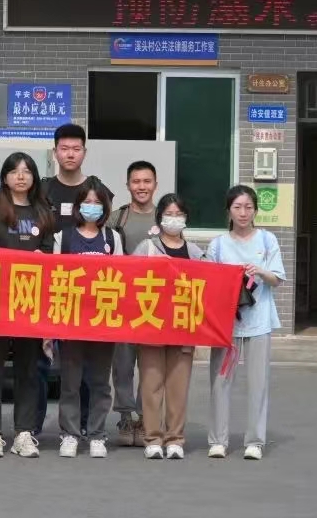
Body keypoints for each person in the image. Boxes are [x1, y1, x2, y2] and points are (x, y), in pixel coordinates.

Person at [0, 152, 54, 459]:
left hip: (30, 301)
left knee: (29, 368)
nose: (21, 176)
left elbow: (50, 255)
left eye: (27, 171)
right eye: (15, 171)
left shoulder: (43, 212)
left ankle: (24, 432)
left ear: (34, 177)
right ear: (5, 177)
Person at [206, 185, 286, 461]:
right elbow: (209, 281)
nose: (243, 213)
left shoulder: (267, 240)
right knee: (220, 381)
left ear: (255, 210)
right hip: (225, 325)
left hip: (259, 321)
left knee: (258, 383)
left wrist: (261, 271)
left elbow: (277, 279)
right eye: (237, 207)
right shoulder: (218, 244)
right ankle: (218, 440)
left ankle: (254, 441)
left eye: (248, 207)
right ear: (228, 210)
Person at [42, 124, 113, 435]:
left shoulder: (100, 192)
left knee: (96, 377)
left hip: (99, 305)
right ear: (55, 151)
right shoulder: (43, 190)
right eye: (64, 148)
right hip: (63, 300)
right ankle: (63, 431)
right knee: (65, 373)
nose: (70, 154)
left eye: (76, 148)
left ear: (85, 151)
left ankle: (92, 429)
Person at [52, 177, 122, 459]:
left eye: (97, 202)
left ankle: (97, 434)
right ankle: (69, 434)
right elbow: (53, 277)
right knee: (70, 381)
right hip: (71, 320)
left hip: (103, 320)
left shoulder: (112, 238)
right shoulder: (63, 237)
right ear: (78, 206)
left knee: (100, 382)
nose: (91, 206)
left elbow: (123, 278)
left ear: (104, 207)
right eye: (87, 201)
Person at [132, 193, 203, 460]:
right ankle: (152, 438)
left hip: (182, 327)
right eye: (169, 214)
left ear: (186, 218)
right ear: (159, 217)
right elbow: (129, 280)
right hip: (151, 324)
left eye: (178, 214)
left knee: (178, 386)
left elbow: (209, 286)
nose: (174, 219)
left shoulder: (195, 253)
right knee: (151, 384)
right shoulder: (146, 248)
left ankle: (175, 439)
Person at [107, 160, 159, 448]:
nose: (141, 187)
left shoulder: (165, 217)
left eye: (146, 181)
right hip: (122, 304)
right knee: (123, 365)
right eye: (136, 181)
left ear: (155, 184)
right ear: (128, 185)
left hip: (153, 304)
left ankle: (144, 417)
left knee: (150, 363)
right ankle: (125, 417)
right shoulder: (117, 218)